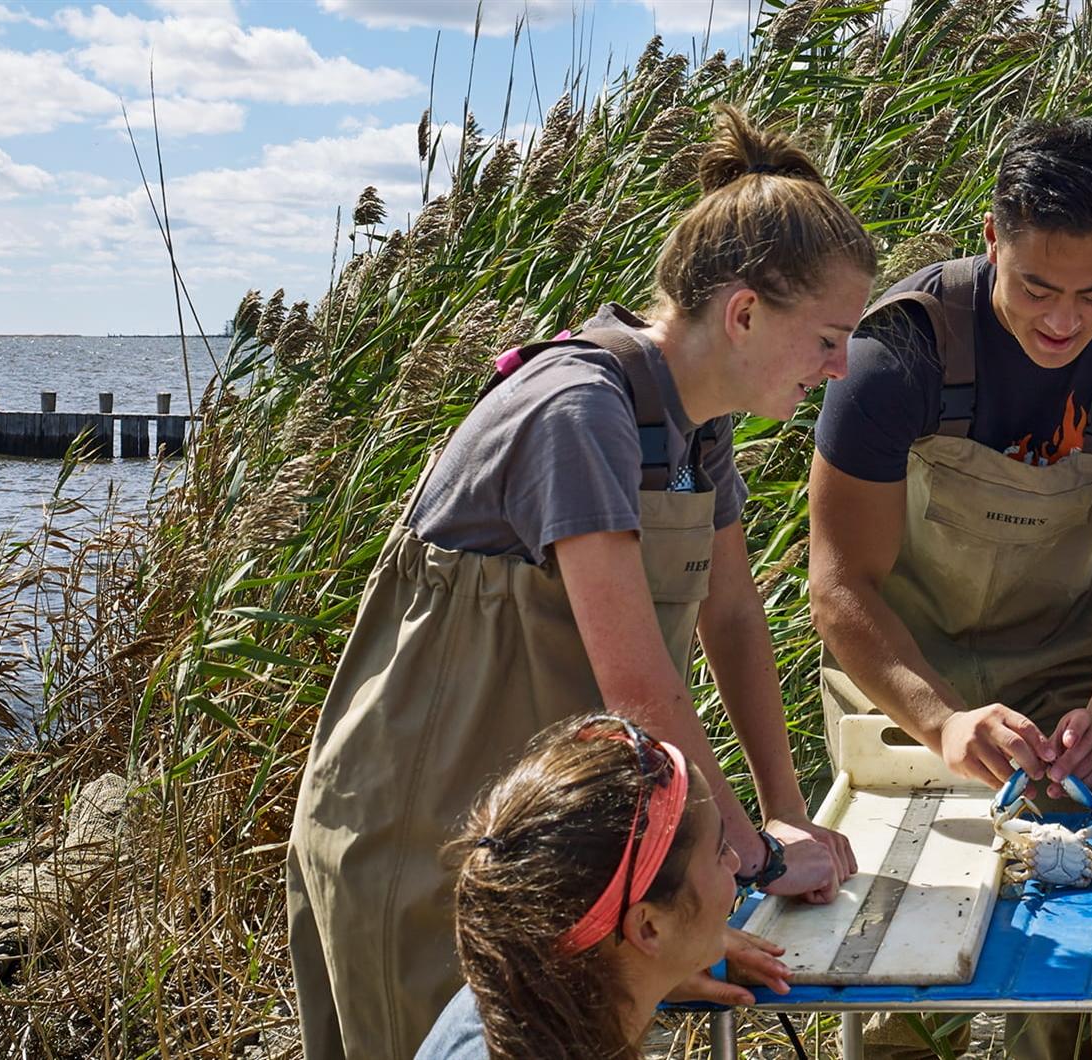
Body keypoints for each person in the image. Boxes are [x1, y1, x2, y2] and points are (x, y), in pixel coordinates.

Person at [289, 106, 872, 1060]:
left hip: (545, 871)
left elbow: (732, 617)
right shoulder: (580, 412)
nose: (842, 366)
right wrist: (753, 860)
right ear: (744, 314)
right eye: (828, 339)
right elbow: (639, 690)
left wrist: (786, 815)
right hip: (417, 850)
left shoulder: (692, 426)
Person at [808, 117, 1092, 1059]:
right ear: (991, 238)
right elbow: (840, 586)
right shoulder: (895, 354)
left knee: (1089, 977)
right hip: (901, 670)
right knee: (891, 968)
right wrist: (942, 721)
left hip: (1070, 675)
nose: (1063, 321)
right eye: (1035, 286)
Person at [417, 714, 792, 1060]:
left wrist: (662, 967)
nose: (735, 863)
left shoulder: (523, 985)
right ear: (647, 928)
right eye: (719, 852)